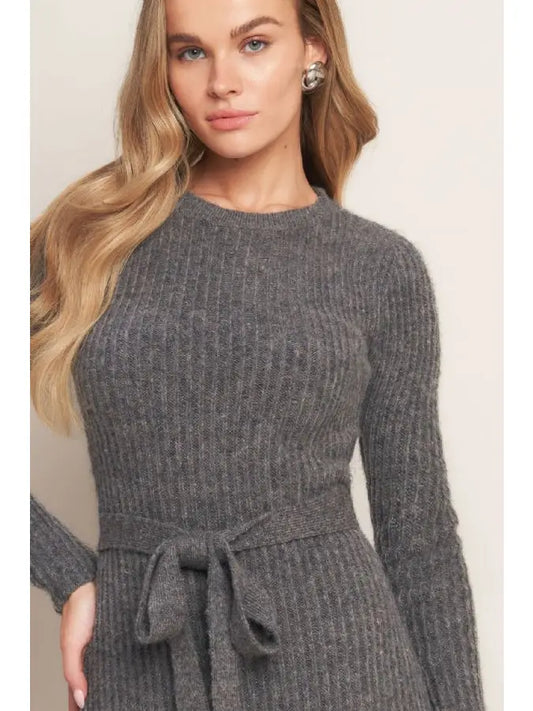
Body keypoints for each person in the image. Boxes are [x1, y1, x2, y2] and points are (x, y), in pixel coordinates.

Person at [30, 1, 487, 710]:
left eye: (253, 44)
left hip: (349, 668)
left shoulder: (378, 267)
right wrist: (69, 574)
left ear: (313, 51)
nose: (222, 81)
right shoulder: (89, 236)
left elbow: (418, 531)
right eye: (190, 52)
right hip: (141, 649)